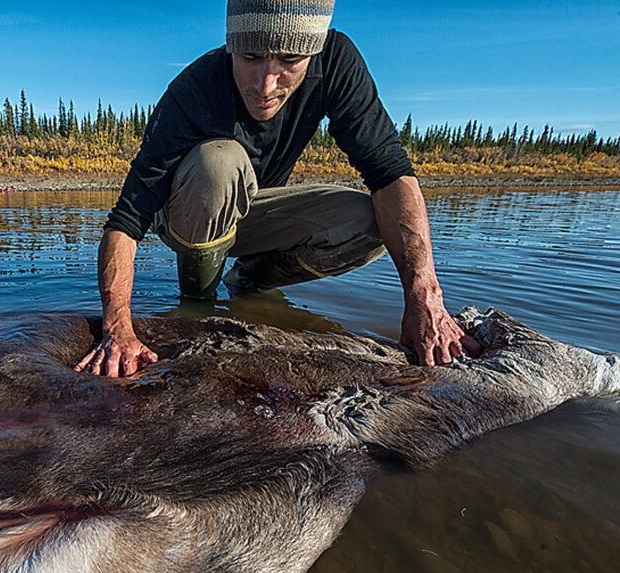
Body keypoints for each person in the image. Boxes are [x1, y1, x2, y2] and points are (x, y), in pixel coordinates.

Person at [75, 0, 480, 377]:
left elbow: (391, 174)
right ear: (231, 45)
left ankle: (249, 280)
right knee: (219, 161)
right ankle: (197, 299)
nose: (266, 85)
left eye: (289, 60)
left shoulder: (337, 62)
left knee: (372, 221)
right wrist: (118, 328)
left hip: (256, 211)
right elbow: (125, 221)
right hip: (188, 210)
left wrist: (424, 296)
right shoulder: (193, 90)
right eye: (250, 57)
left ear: (314, 52)